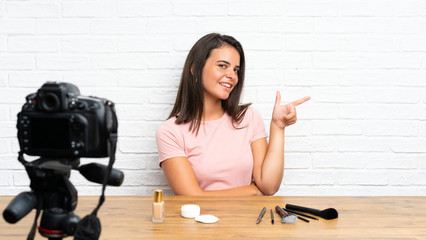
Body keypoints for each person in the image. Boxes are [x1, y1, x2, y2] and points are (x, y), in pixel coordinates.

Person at [155, 33, 310, 196]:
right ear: (195, 69)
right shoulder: (170, 132)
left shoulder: (248, 118)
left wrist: (278, 127)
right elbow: (192, 197)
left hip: (247, 220)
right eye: (222, 65)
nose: (232, 76)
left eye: (236, 69)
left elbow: (268, 186)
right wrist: (251, 191)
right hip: (200, 220)